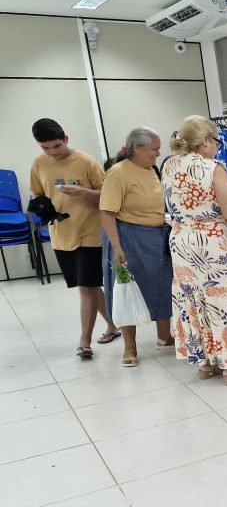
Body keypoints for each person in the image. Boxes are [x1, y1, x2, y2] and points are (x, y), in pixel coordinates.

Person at [162, 116, 227, 385]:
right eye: (217, 141)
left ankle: (208, 362)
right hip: (213, 243)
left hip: (182, 241)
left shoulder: (169, 165)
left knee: (195, 299)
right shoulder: (213, 167)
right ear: (206, 141)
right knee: (225, 300)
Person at [28, 118, 119, 359]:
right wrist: (41, 206)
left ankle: (84, 341)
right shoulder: (39, 164)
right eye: (45, 148)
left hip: (90, 232)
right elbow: (37, 193)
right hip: (61, 234)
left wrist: (83, 192)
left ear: (65, 139)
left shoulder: (86, 161)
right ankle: (112, 325)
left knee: (85, 287)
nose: (52, 152)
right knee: (89, 284)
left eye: (56, 146)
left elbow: (108, 194)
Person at [98, 128, 173, 367]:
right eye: (154, 149)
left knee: (162, 285)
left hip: (157, 237)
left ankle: (164, 337)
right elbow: (106, 213)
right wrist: (116, 246)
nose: (158, 153)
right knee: (127, 290)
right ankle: (129, 347)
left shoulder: (152, 169)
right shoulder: (118, 172)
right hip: (128, 238)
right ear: (137, 148)